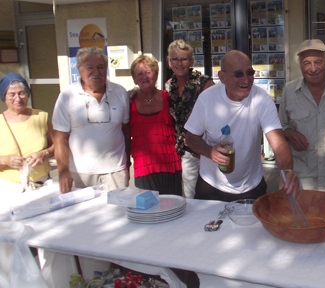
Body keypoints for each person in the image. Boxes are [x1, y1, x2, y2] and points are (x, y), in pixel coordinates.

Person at [184, 50, 299, 201]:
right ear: (222, 77)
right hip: (211, 186)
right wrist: (209, 151)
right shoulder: (207, 99)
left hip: (251, 186)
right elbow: (190, 137)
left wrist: (288, 171)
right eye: (238, 74)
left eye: (250, 72)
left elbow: (278, 142)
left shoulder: (262, 99)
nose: (246, 79)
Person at [279, 39, 325, 194]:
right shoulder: (289, 91)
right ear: (300, 66)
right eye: (306, 63)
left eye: (318, 62)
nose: (313, 68)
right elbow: (280, 127)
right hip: (301, 183)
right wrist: (289, 133)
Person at [52, 46, 130, 194]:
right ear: (79, 70)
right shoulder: (67, 96)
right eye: (89, 67)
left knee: (118, 214)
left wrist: (127, 164)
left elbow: (125, 131)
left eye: (100, 67)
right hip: (80, 173)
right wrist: (63, 171)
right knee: (84, 215)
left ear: (106, 68)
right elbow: (60, 138)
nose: (96, 72)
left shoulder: (120, 92)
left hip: (115, 172)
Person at [165, 40, 215, 198]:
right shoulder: (168, 86)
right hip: (185, 150)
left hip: (207, 147)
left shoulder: (205, 83)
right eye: (175, 59)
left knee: (212, 191)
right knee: (190, 194)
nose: (179, 63)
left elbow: (217, 115)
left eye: (184, 59)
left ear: (191, 61)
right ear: (169, 62)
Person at [129, 55, 182, 195]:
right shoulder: (128, 101)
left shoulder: (169, 98)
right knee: (147, 210)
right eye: (139, 74)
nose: (144, 77)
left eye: (148, 72)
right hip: (143, 166)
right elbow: (123, 132)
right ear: (134, 79)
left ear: (156, 75)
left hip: (170, 163)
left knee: (173, 207)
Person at [0, 73, 54, 194]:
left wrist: (44, 153)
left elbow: (58, 145)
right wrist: (5, 160)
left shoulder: (40, 117)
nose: (18, 99)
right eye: (12, 95)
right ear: (4, 97)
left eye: (21, 93)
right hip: (8, 188)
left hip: (41, 185)